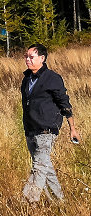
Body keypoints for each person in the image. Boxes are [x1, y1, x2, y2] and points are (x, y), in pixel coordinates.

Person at [21, 43, 81, 203]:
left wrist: (72, 128)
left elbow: (64, 103)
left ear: (42, 58)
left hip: (46, 130)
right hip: (31, 130)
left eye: (31, 57)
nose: (27, 59)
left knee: (39, 167)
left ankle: (27, 200)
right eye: (26, 56)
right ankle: (59, 201)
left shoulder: (52, 78)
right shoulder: (26, 78)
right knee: (45, 168)